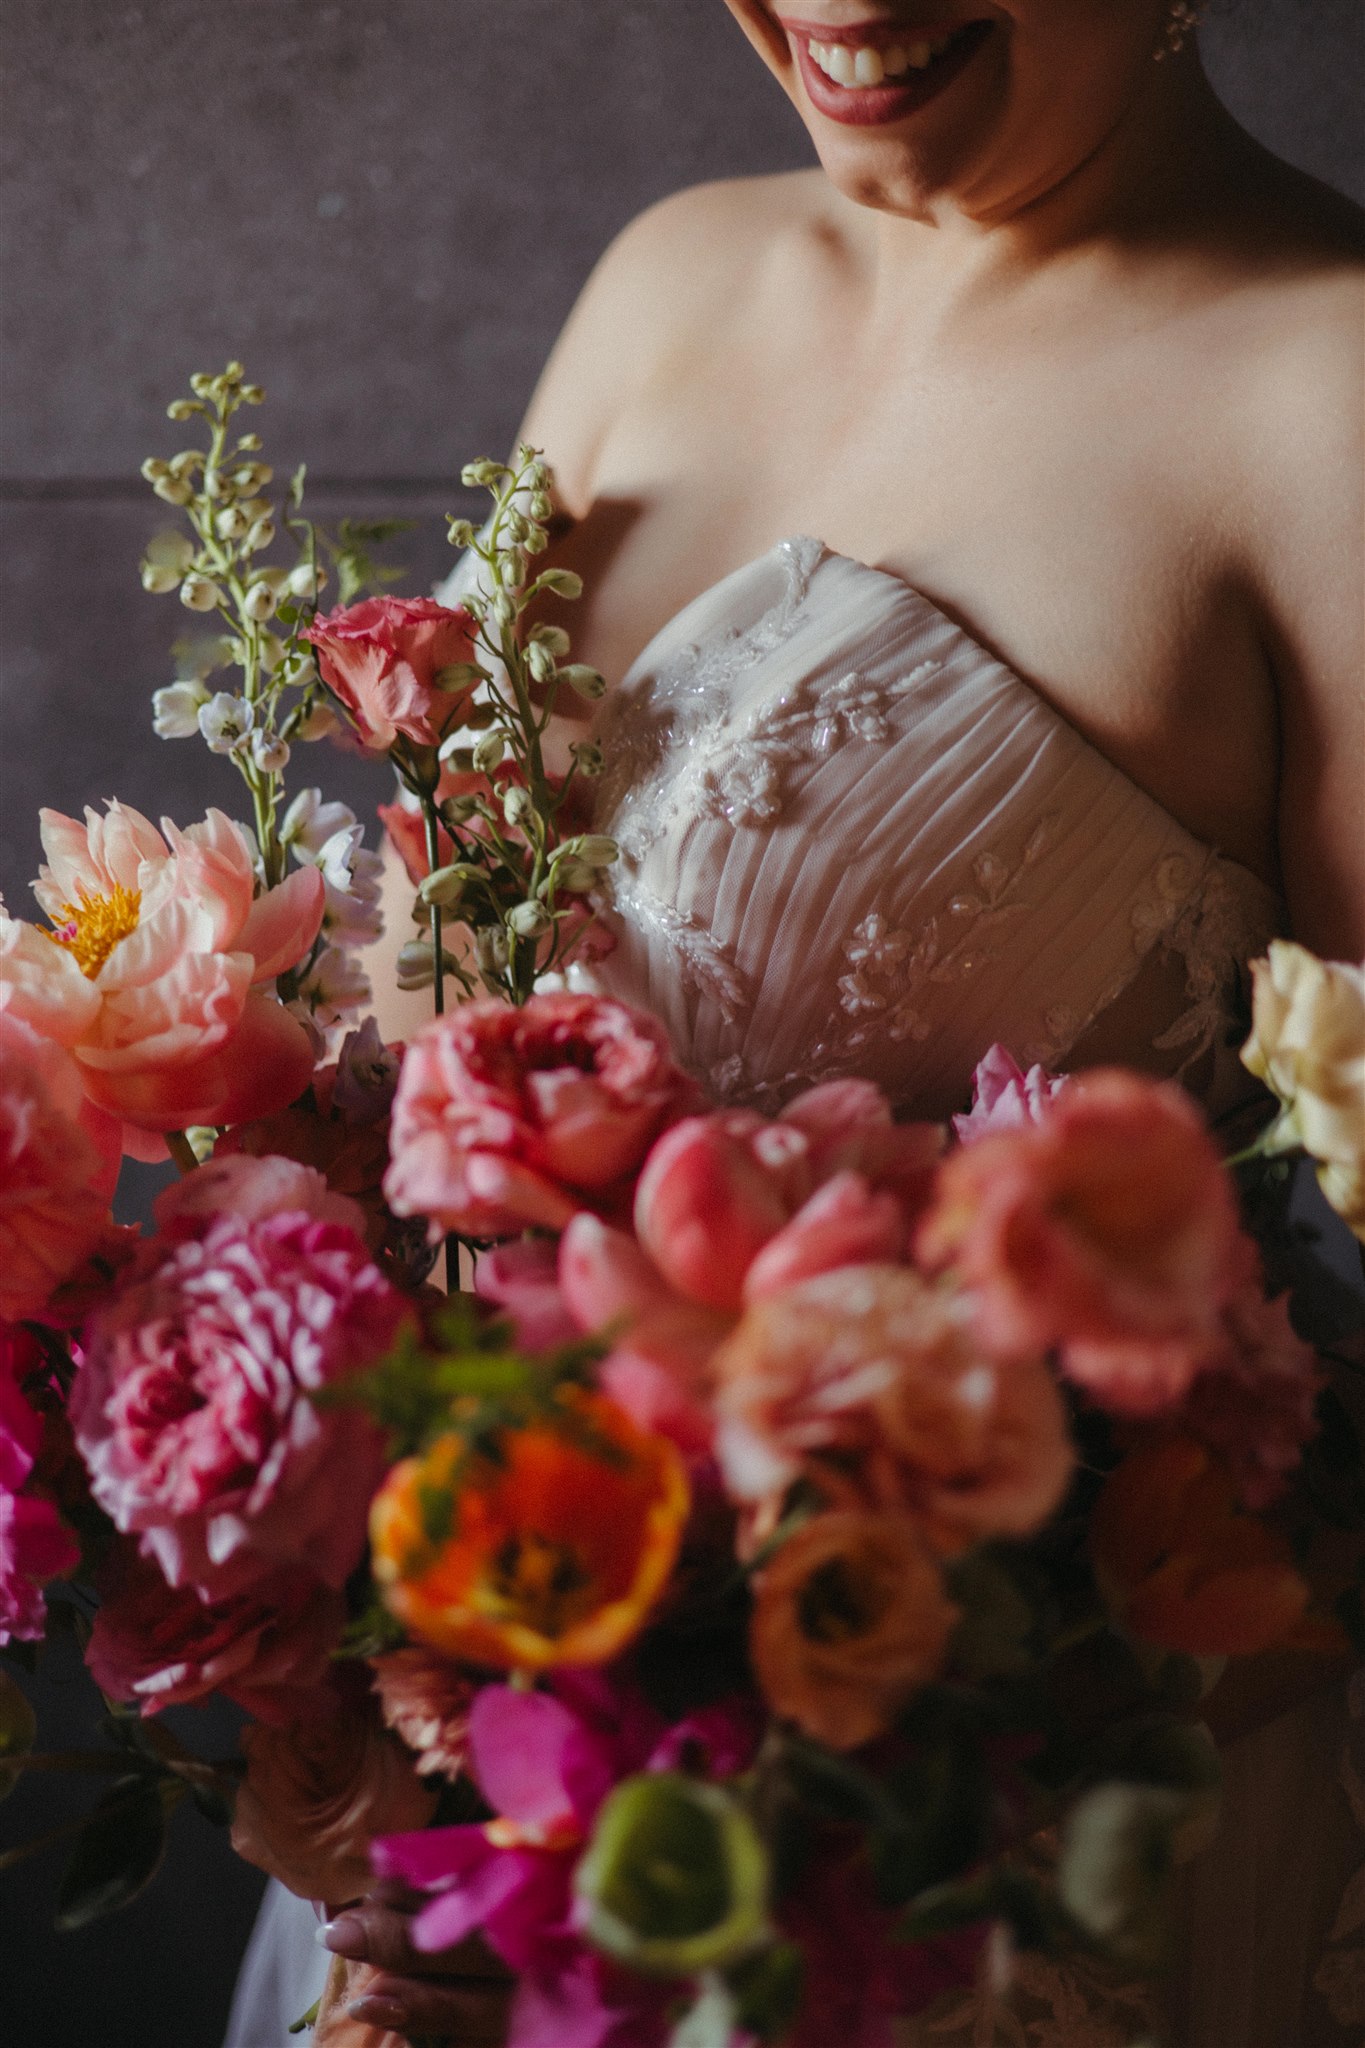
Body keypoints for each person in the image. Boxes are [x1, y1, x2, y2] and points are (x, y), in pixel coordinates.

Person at [229, 2, 1364, 2041]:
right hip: (480, 1736)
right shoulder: (670, 273)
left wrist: (869, 1720)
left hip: (952, 1862)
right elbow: (455, 971)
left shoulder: (1325, 380)